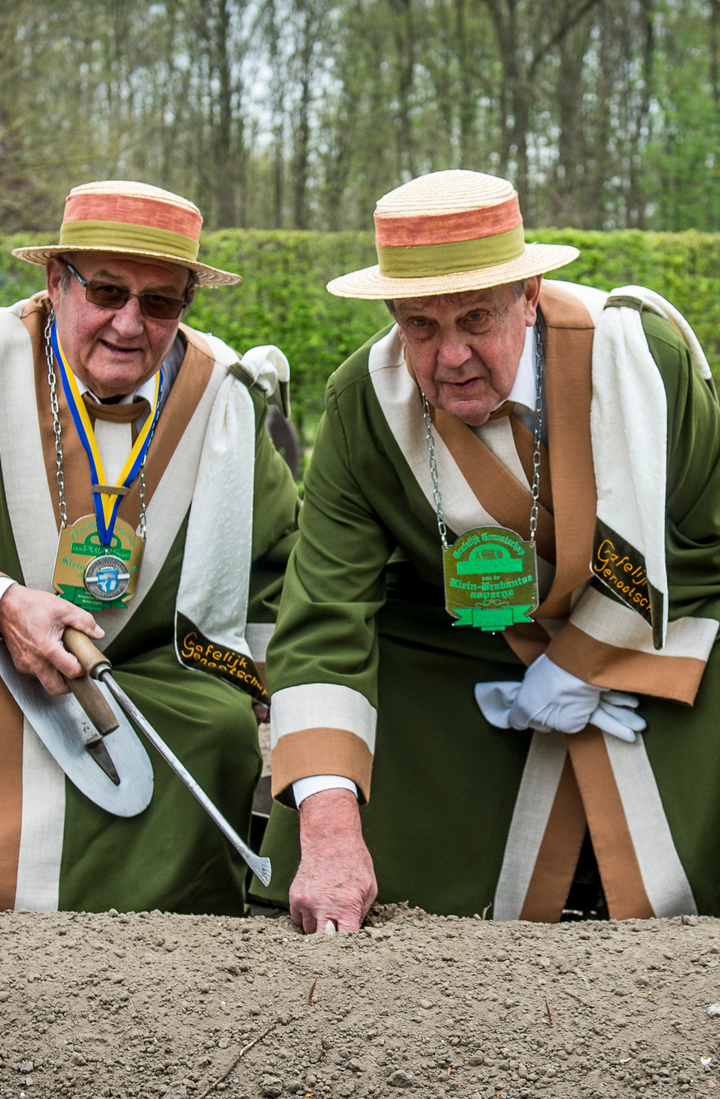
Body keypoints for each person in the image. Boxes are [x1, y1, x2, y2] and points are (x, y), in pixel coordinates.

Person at [255, 169, 720, 931]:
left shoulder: (643, 361)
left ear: (529, 294)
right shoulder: (360, 405)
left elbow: (708, 539)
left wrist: (585, 658)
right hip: (470, 660)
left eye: (476, 318)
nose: (451, 357)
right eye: (421, 326)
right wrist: (331, 823)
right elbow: (324, 616)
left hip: (651, 638)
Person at [0, 180, 299, 914]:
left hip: (147, 672)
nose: (129, 324)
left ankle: (175, 955)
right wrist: (4, 600)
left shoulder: (223, 394)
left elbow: (277, 563)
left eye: (160, 302)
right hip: (2, 659)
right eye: (106, 291)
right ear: (54, 282)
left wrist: (262, 687)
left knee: (218, 725)